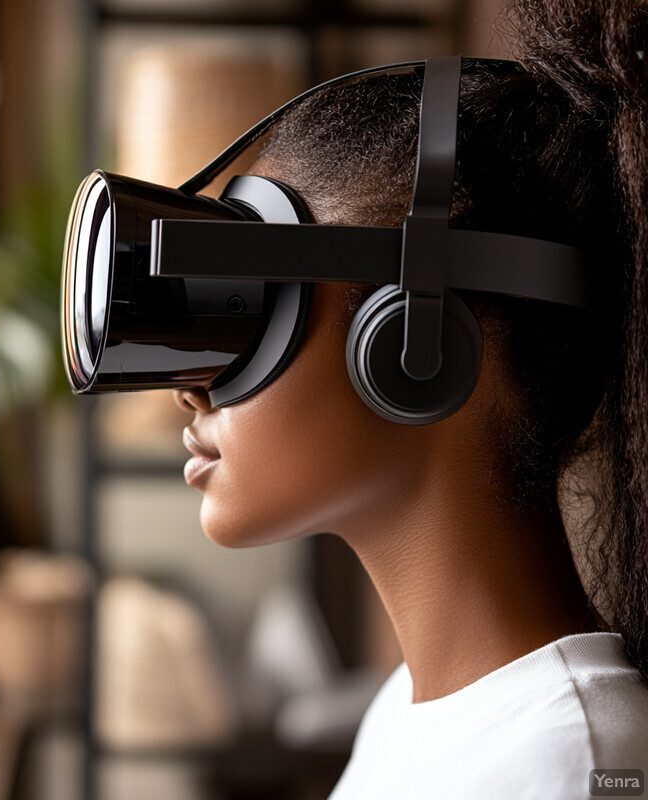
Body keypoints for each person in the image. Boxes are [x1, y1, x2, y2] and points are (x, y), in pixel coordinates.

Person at [174, 0, 648, 797]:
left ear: (413, 346)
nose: (191, 390)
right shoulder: (409, 711)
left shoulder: (570, 766)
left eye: (252, 311)